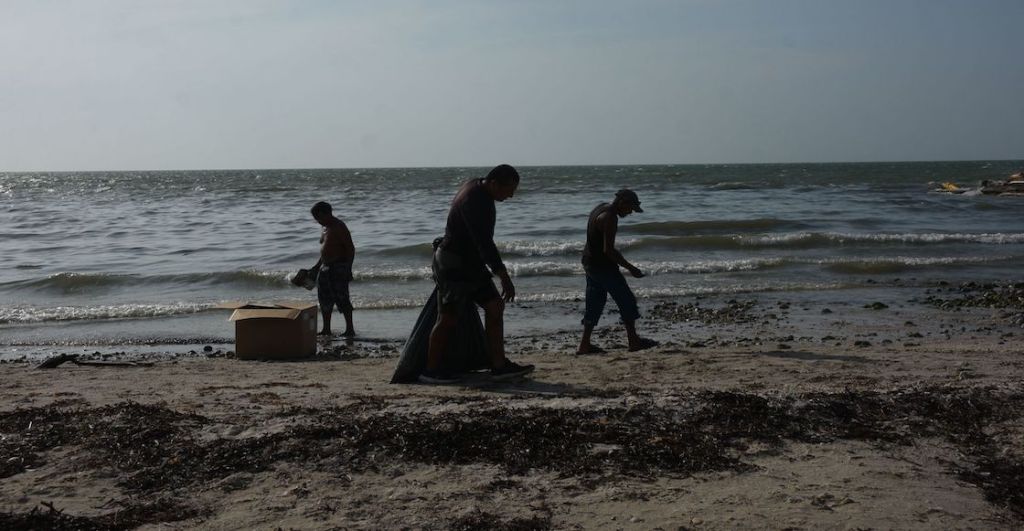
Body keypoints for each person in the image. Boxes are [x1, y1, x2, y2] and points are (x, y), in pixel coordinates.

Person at [420, 164, 535, 384]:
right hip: (453, 263)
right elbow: (485, 244)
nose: (511, 195)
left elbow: (480, 246)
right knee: (448, 317)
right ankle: (431, 370)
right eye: (508, 189)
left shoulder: (479, 187)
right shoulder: (475, 201)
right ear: (493, 183)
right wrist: (504, 276)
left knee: (494, 306)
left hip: (471, 263)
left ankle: (499, 366)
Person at [577, 189, 658, 354]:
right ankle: (633, 341)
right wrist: (631, 268)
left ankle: (584, 345)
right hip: (602, 266)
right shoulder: (610, 218)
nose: (630, 213)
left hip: (589, 261)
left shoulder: (600, 208)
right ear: (623, 203)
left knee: (594, 302)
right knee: (626, 300)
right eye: (631, 209)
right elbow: (609, 251)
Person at [310, 201, 355, 337]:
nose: (318, 221)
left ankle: (350, 329)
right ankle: (326, 329)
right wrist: (317, 267)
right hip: (325, 268)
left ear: (326, 213)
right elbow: (324, 251)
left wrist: (348, 268)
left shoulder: (339, 226)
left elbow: (350, 249)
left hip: (338, 267)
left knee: (342, 299)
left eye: (319, 218)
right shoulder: (325, 228)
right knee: (324, 300)